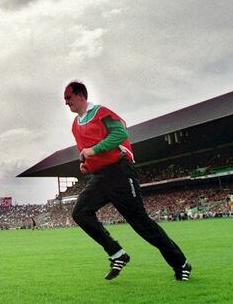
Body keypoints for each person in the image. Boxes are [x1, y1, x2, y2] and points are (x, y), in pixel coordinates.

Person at [64, 81, 192, 281]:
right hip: (100, 177)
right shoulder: (75, 125)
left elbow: (120, 133)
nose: (66, 102)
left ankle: (181, 264)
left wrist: (93, 151)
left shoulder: (100, 112)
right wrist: (87, 165)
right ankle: (117, 253)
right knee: (80, 213)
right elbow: (89, 151)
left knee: (141, 224)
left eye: (68, 98)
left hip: (120, 173)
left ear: (80, 96)